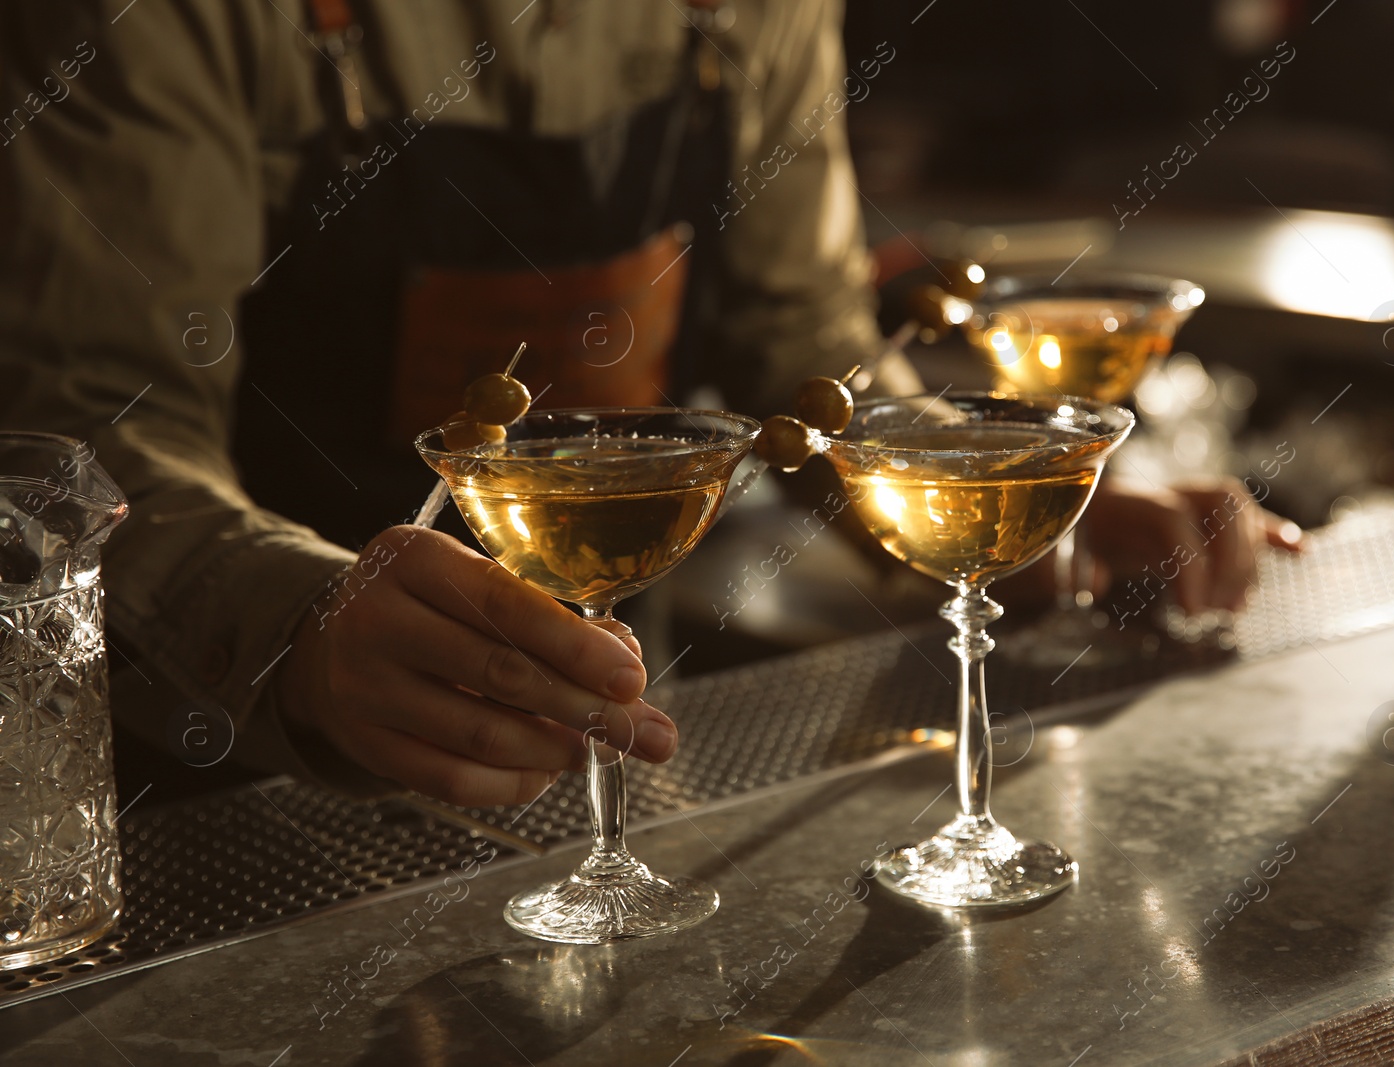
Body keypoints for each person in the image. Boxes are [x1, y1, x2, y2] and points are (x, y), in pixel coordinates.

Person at [0, 0, 1291, 809]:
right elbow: (94, 427)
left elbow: (806, 345)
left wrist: (1013, 511)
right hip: (219, 770)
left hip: (611, 719)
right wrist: (292, 628)